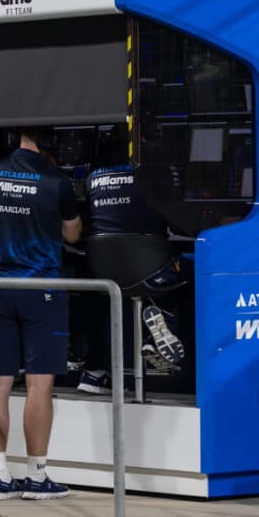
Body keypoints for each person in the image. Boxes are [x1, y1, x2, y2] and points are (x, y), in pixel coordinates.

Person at [0, 127, 82, 500]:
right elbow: (73, 235)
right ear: (49, 143)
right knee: (38, 383)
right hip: (41, 289)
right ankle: (37, 476)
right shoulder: (56, 181)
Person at [76, 130, 185, 395]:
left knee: (103, 299)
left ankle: (95, 371)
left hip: (102, 272)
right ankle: (161, 326)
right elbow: (178, 219)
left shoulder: (93, 178)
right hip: (150, 268)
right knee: (187, 268)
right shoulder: (152, 170)